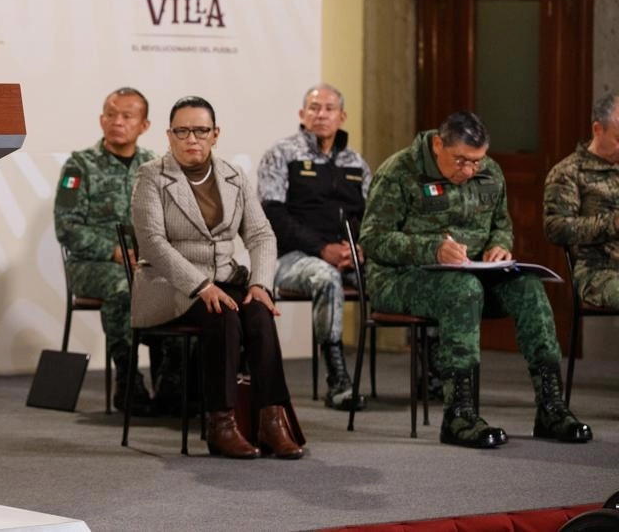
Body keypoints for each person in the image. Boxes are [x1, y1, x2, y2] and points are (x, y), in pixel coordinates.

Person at [359, 111, 592, 449]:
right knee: (462, 290)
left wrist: (500, 245)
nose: (469, 170)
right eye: (461, 161)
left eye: (476, 161)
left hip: (473, 274)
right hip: (400, 278)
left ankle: (551, 408)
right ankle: (459, 415)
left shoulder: (490, 172)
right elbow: (373, 239)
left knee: (528, 287)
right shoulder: (399, 171)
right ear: (438, 144)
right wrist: (433, 249)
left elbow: (501, 224)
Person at [130, 96, 306, 459]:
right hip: (169, 287)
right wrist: (201, 285)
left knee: (257, 311)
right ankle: (220, 424)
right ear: (169, 134)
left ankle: (271, 420)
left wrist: (260, 283)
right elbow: (152, 244)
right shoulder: (151, 176)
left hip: (226, 279)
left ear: (215, 134)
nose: (191, 138)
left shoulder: (233, 175)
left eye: (200, 130)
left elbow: (261, 235)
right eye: (182, 130)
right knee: (221, 314)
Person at [53, 88, 179, 415]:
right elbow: (67, 227)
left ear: (144, 125)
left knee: (177, 287)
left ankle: (171, 382)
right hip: (92, 265)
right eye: (111, 115)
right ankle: (128, 379)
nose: (117, 122)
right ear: (101, 119)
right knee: (125, 288)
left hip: (145, 265)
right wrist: (115, 252)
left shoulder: (154, 167)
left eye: (127, 116)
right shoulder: (80, 165)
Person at [257, 84, 370, 411]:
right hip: (293, 257)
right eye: (314, 108)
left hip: (348, 256)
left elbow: (374, 216)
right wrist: (322, 249)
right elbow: (272, 215)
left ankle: (433, 373)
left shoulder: (355, 162)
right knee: (325, 278)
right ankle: (338, 380)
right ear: (302, 115)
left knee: (395, 276)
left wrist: (359, 248)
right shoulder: (282, 154)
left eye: (329, 108)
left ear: (342, 116)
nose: (321, 114)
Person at [544, 92, 619, 309]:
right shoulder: (568, 172)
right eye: (618, 139)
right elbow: (555, 229)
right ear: (598, 129)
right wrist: (612, 223)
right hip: (599, 271)